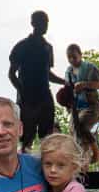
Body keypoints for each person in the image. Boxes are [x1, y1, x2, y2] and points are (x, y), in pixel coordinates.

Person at [7, 11, 63, 149]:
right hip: (27, 99)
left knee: (47, 136)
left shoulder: (48, 47)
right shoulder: (22, 46)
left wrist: (65, 82)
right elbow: (11, 74)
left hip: (44, 96)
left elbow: (48, 74)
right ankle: (24, 161)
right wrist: (23, 92)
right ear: (33, 23)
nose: (45, 25)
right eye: (41, 22)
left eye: (46, 22)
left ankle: (46, 161)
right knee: (26, 137)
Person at [64, 44, 99, 167]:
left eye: (74, 57)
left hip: (91, 106)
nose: (72, 60)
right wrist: (67, 103)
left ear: (80, 55)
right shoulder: (68, 71)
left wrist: (85, 84)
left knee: (81, 125)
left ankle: (96, 151)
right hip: (76, 108)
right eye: (69, 57)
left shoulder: (90, 68)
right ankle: (82, 162)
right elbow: (68, 90)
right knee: (74, 132)